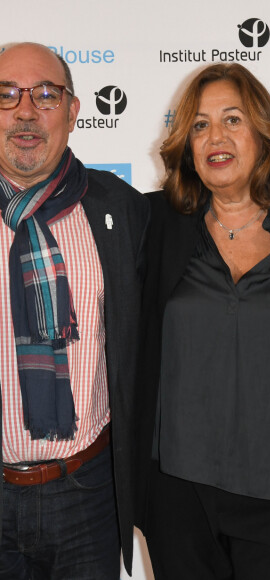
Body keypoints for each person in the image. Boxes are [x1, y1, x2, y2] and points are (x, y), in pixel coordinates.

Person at [134, 63, 270, 580]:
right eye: (200, 125)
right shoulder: (154, 223)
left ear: (264, 133)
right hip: (177, 493)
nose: (215, 137)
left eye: (233, 119)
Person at [0, 43, 148, 579]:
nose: (25, 112)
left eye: (45, 94)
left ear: (73, 111)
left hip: (88, 490)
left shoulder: (120, 208)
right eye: (6, 95)